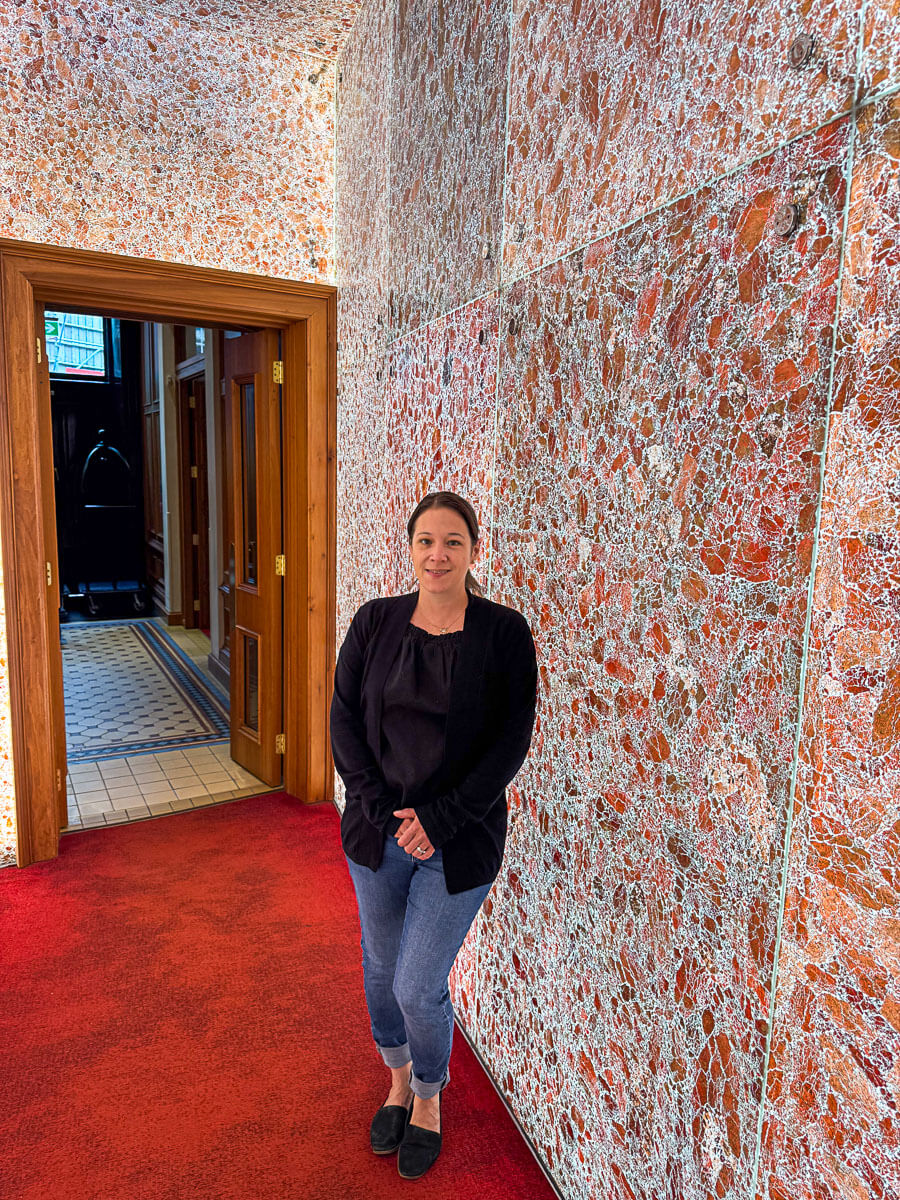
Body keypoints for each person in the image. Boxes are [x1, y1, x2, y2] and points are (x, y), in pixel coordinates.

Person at [329, 490, 538, 1180]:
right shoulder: (374, 622)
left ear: (475, 549)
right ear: (410, 548)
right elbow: (343, 725)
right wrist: (383, 808)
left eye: (452, 541)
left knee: (419, 985)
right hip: (376, 832)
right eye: (425, 540)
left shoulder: (505, 634)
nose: (437, 554)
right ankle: (395, 1079)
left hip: (461, 840)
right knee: (381, 972)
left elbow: (509, 745)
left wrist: (439, 821)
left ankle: (428, 1094)